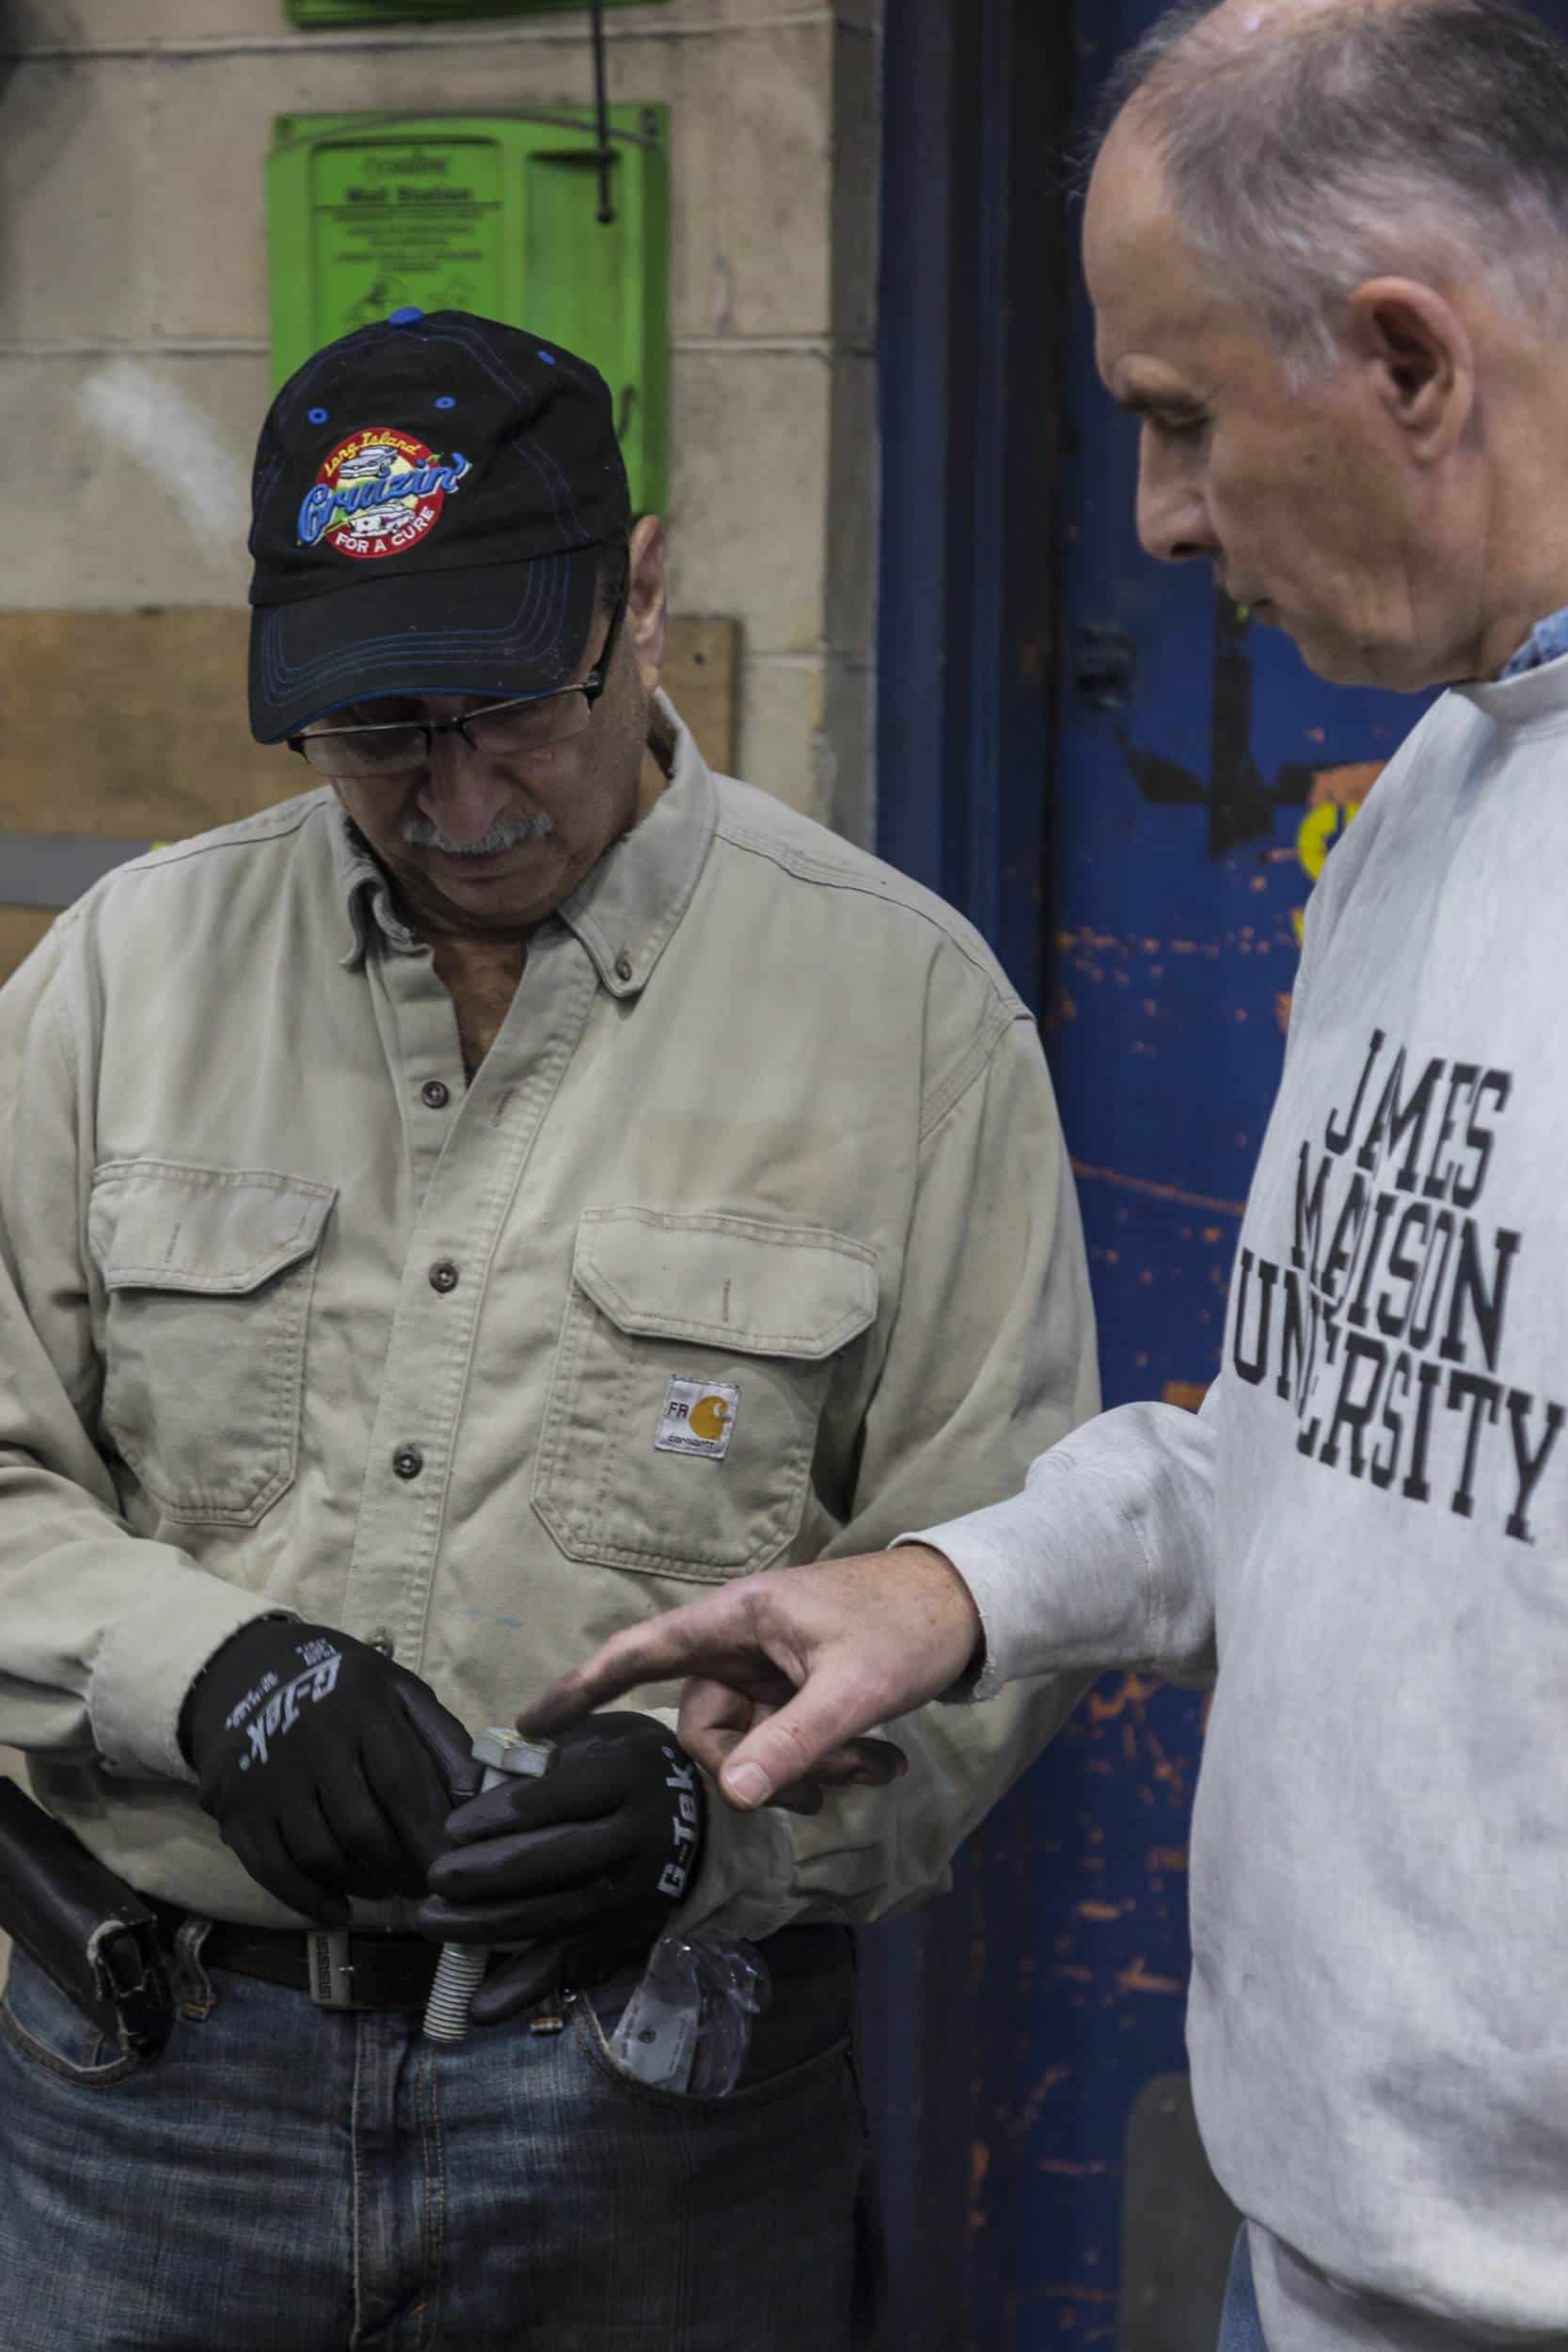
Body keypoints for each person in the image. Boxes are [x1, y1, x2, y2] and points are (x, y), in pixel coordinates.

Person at [522, 5, 1568, 2348]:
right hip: (1321, 2258)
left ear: (1409, 359)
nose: (1161, 517)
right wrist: (947, 1585)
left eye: (1180, 417)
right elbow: (1319, 1454)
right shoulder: (1432, 795)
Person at [0, 308, 1099, 2351]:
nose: (457, 796)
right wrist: (202, 1668)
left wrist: (704, 1816)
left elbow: (999, 1583)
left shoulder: (908, 1019)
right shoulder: (124, 980)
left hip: (653, 2114)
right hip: (153, 2100)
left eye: (511, 707)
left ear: (641, 596)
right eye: (375, 732)